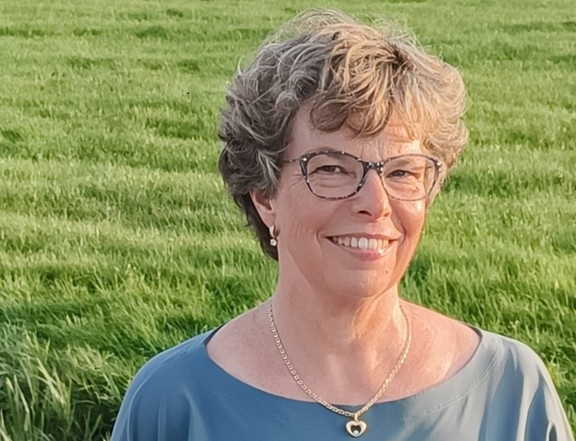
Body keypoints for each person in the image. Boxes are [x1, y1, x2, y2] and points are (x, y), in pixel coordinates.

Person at [111, 9, 574, 441]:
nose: (375, 203)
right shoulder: (174, 403)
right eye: (331, 168)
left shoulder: (511, 391)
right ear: (265, 195)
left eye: (402, 172)